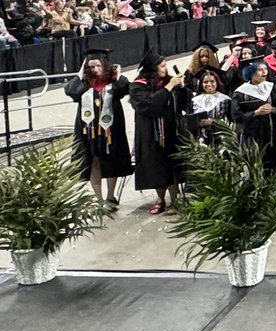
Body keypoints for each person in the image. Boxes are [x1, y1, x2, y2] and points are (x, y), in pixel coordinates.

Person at [64, 48, 132, 210]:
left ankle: (110, 196)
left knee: (111, 158)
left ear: (105, 65)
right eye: (91, 66)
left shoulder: (113, 82)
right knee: (94, 161)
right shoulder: (84, 83)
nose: (95, 69)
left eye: (98, 66)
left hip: (111, 129)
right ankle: (99, 199)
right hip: (88, 129)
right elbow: (71, 90)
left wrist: (118, 74)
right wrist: (80, 72)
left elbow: (124, 88)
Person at [129, 51, 186, 215]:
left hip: (171, 130)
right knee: (156, 167)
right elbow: (149, 106)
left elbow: (181, 104)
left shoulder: (168, 81)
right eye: (162, 66)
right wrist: (169, 87)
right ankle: (161, 199)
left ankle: (175, 200)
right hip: (151, 133)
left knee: (172, 165)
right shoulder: (138, 86)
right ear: (152, 68)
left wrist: (181, 88)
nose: (165, 69)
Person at [186, 67, 232, 145]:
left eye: (212, 81)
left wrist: (213, 122)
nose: (209, 84)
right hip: (200, 140)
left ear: (217, 82)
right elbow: (189, 121)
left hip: (222, 140)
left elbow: (231, 121)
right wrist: (197, 123)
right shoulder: (195, 101)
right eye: (205, 82)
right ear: (201, 84)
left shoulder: (225, 99)